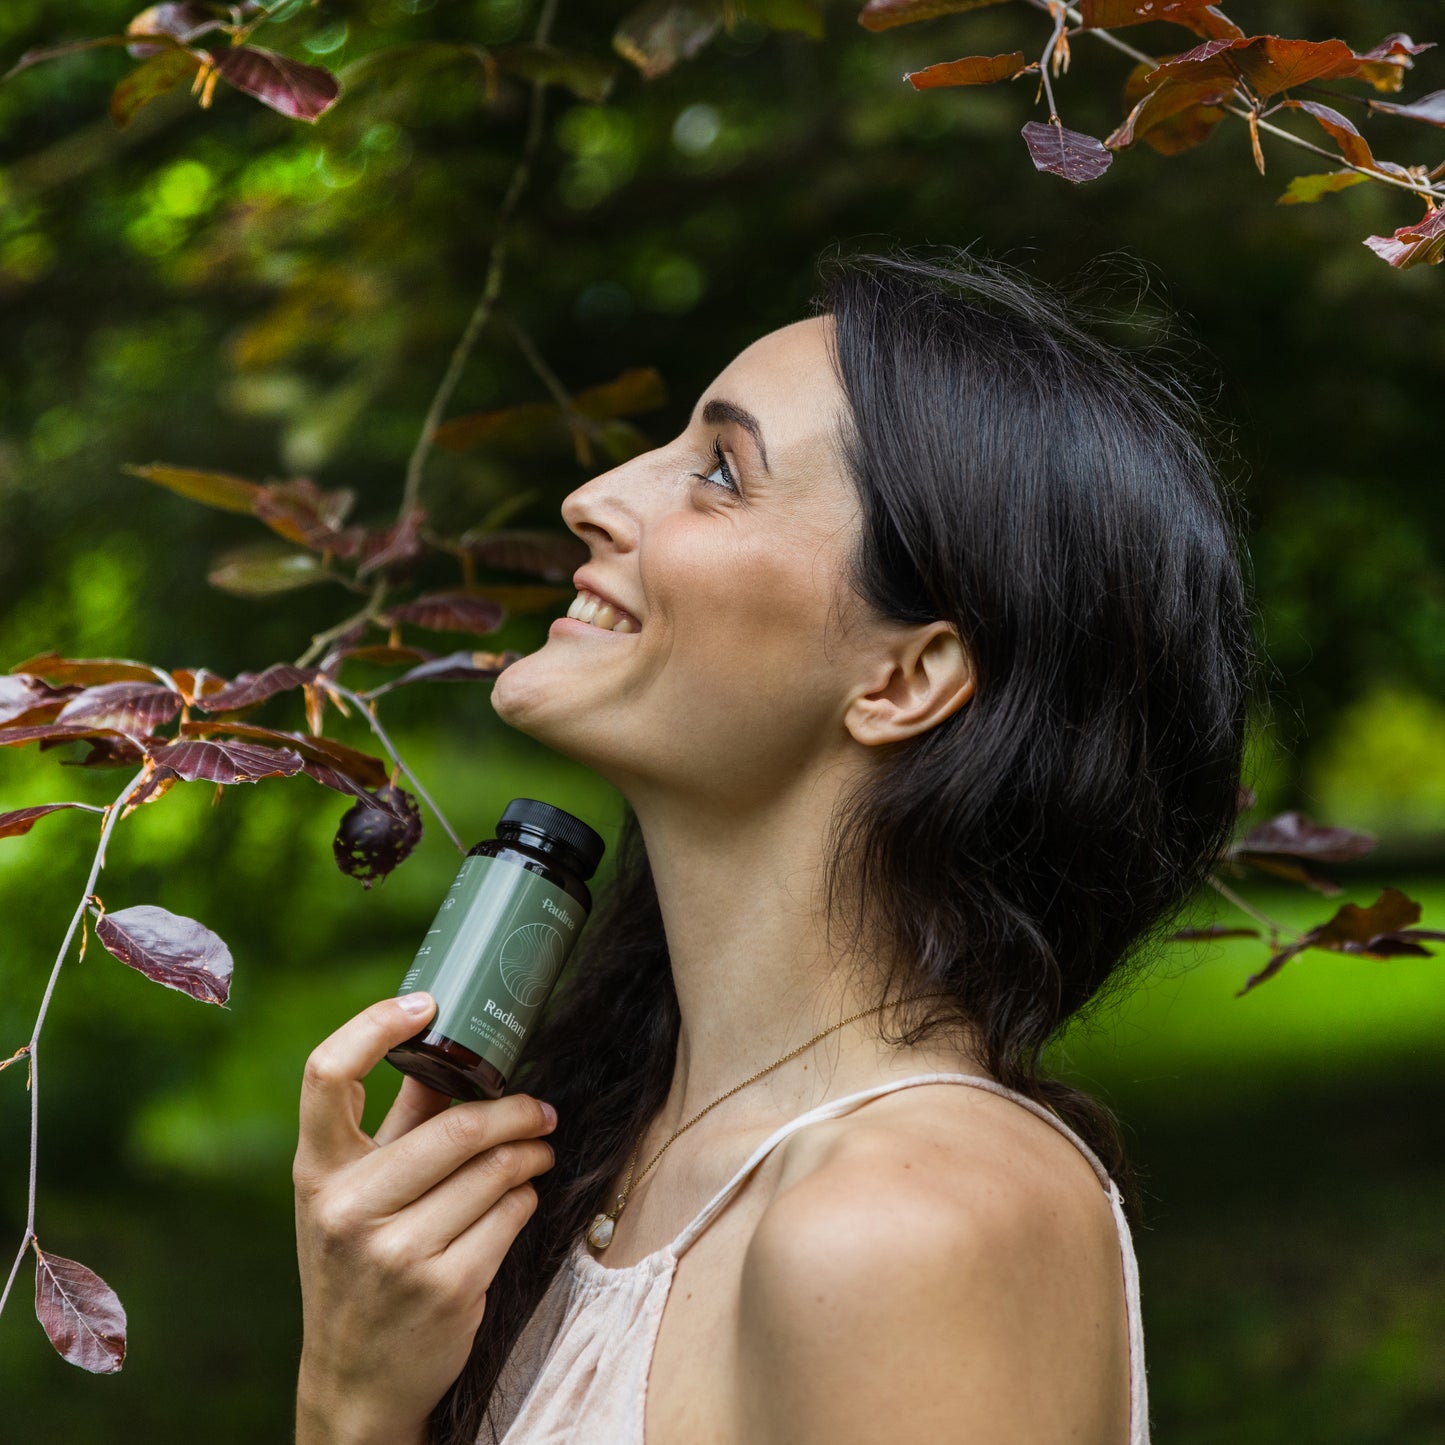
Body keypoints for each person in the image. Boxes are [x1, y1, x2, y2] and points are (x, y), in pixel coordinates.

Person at [292, 246, 1253, 1445]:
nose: (593, 496)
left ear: (905, 677)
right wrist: (353, 1392)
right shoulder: (604, 1150)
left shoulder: (905, 1224)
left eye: (718, 472)